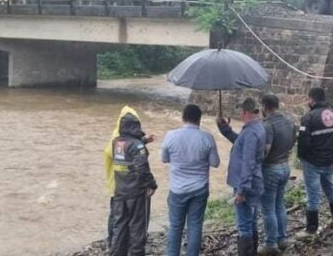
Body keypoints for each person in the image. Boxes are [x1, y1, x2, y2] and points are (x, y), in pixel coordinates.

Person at [162, 104, 220, 256]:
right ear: (199, 119)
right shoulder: (207, 137)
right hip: (199, 188)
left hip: (177, 189)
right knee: (195, 225)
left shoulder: (170, 136)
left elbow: (164, 159)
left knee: (175, 226)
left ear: (183, 118)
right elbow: (215, 163)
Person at [217, 97, 266, 256]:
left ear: (245, 112)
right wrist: (224, 128)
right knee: (250, 221)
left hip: (246, 184)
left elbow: (248, 162)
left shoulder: (251, 132)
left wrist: (241, 190)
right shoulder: (256, 127)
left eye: (241, 112)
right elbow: (240, 143)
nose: (240, 114)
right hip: (253, 182)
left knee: (244, 224)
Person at [109, 112, 157, 256]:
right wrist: (152, 184)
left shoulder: (116, 142)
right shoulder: (137, 146)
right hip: (135, 193)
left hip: (120, 192)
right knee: (137, 227)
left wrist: (143, 140)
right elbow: (141, 168)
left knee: (120, 226)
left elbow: (129, 149)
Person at [258, 94, 295, 254]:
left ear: (264, 106)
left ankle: (270, 244)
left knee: (268, 209)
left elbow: (265, 151)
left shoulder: (267, 125)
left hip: (271, 169)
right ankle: (282, 239)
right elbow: (293, 142)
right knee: (279, 204)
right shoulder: (290, 122)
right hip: (285, 166)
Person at [295, 87, 333, 240]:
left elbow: (304, 143)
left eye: (308, 99)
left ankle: (311, 230)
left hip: (313, 162)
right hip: (330, 160)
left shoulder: (308, 118)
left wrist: (301, 157)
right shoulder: (331, 114)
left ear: (312, 99)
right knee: (330, 188)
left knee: (313, 194)